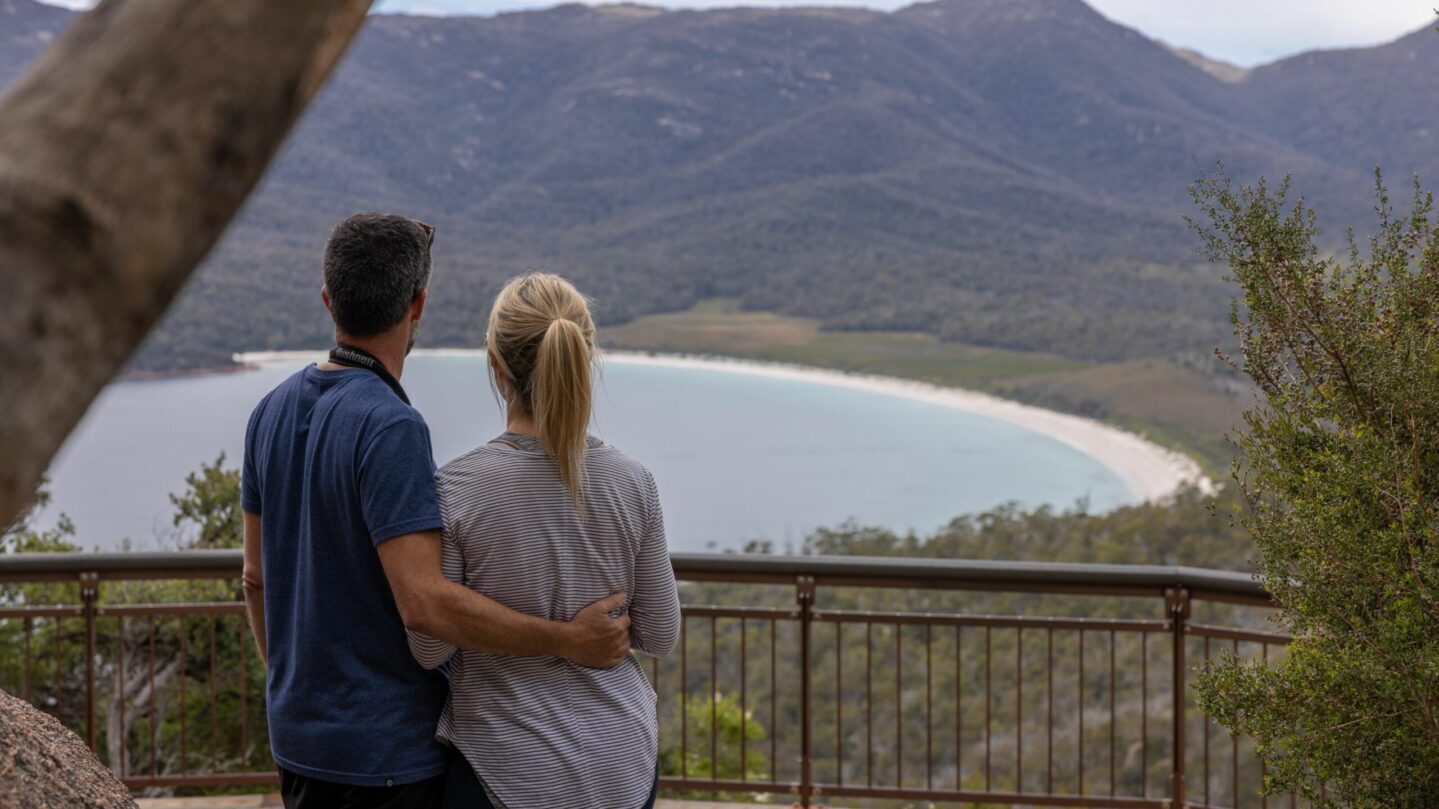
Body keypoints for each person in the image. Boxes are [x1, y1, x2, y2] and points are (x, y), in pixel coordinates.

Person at [240, 215, 633, 809]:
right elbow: (423, 606)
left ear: (328, 300)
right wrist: (567, 639)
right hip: (388, 755)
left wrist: (293, 690)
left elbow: (254, 577)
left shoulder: (268, 412)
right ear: (417, 305)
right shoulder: (390, 424)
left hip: (298, 741)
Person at [408, 273, 681, 809]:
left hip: (505, 768)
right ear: (585, 352)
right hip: (620, 767)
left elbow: (428, 647)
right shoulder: (634, 482)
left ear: (495, 363)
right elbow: (662, 633)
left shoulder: (458, 489)